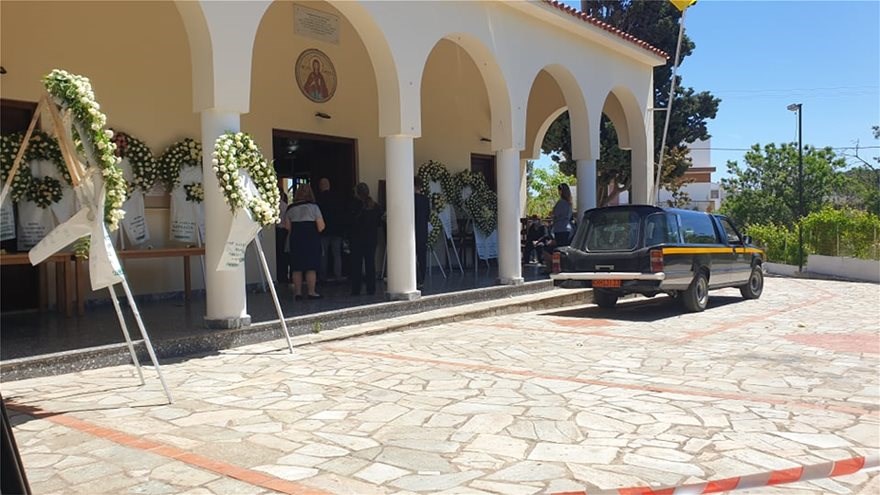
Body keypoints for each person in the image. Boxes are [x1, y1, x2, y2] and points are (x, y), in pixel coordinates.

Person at [285, 184, 325, 300]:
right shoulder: (314, 207)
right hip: (311, 239)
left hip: (296, 239)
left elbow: (287, 227)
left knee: (296, 267)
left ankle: (297, 293)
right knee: (311, 267)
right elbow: (321, 226)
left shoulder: (290, 208)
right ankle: (311, 292)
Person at [349, 183, 383, 296]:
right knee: (370, 264)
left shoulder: (354, 206)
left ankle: (356, 289)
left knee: (356, 265)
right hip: (371, 238)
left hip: (356, 239)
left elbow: (350, 222)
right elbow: (379, 223)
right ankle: (371, 288)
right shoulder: (376, 206)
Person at [315, 177, 344, 282]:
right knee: (337, 255)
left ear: (320, 186)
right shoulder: (337, 198)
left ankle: (323, 277)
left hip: (324, 231)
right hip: (337, 230)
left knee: (323, 255)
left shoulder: (318, 199)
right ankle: (338, 276)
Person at [414, 176, 430, 289]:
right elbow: (428, 215)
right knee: (422, 256)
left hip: (412, 231)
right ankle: (422, 280)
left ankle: (413, 279)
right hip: (423, 231)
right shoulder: (425, 199)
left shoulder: (411, 199)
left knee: (411, 257)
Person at [552, 183, 574, 247]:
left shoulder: (561, 202)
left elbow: (556, 214)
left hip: (560, 228)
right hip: (568, 228)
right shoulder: (569, 204)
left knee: (560, 248)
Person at [275, 190, 289, 283]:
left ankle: (278, 274)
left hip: (276, 230)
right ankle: (284, 275)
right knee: (284, 254)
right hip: (284, 231)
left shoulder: (273, 207)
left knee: (277, 253)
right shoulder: (285, 206)